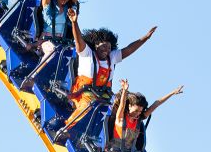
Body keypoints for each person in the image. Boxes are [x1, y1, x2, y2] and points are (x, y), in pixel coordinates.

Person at [53, 9, 156, 142]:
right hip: (84, 91)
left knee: (122, 108)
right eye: (103, 47)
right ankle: (66, 128)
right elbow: (78, 42)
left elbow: (129, 49)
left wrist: (145, 38)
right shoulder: (87, 54)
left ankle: (118, 139)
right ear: (96, 45)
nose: (106, 50)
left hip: (105, 93)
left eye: (108, 47)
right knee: (88, 105)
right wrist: (74, 23)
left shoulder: (112, 57)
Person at [103, 79, 184, 152]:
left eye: (140, 111)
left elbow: (156, 104)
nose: (138, 113)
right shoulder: (121, 118)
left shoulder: (139, 119)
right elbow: (122, 105)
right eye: (136, 110)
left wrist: (172, 93)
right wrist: (124, 90)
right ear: (129, 106)